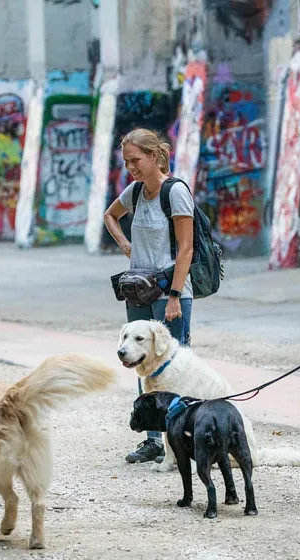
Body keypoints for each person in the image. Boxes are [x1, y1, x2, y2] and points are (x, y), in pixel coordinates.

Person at [103, 128, 194, 464]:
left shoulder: (176, 192)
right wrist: (126, 246)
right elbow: (110, 216)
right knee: (143, 365)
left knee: (173, 366)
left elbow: (186, 248)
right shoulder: (135, 192)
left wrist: (174, 296)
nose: (131, 168)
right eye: (127, 163)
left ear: (155, 156)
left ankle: (182, 439)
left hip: (170, 291)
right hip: (138, 290)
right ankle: (152, 439)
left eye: (136, 160)